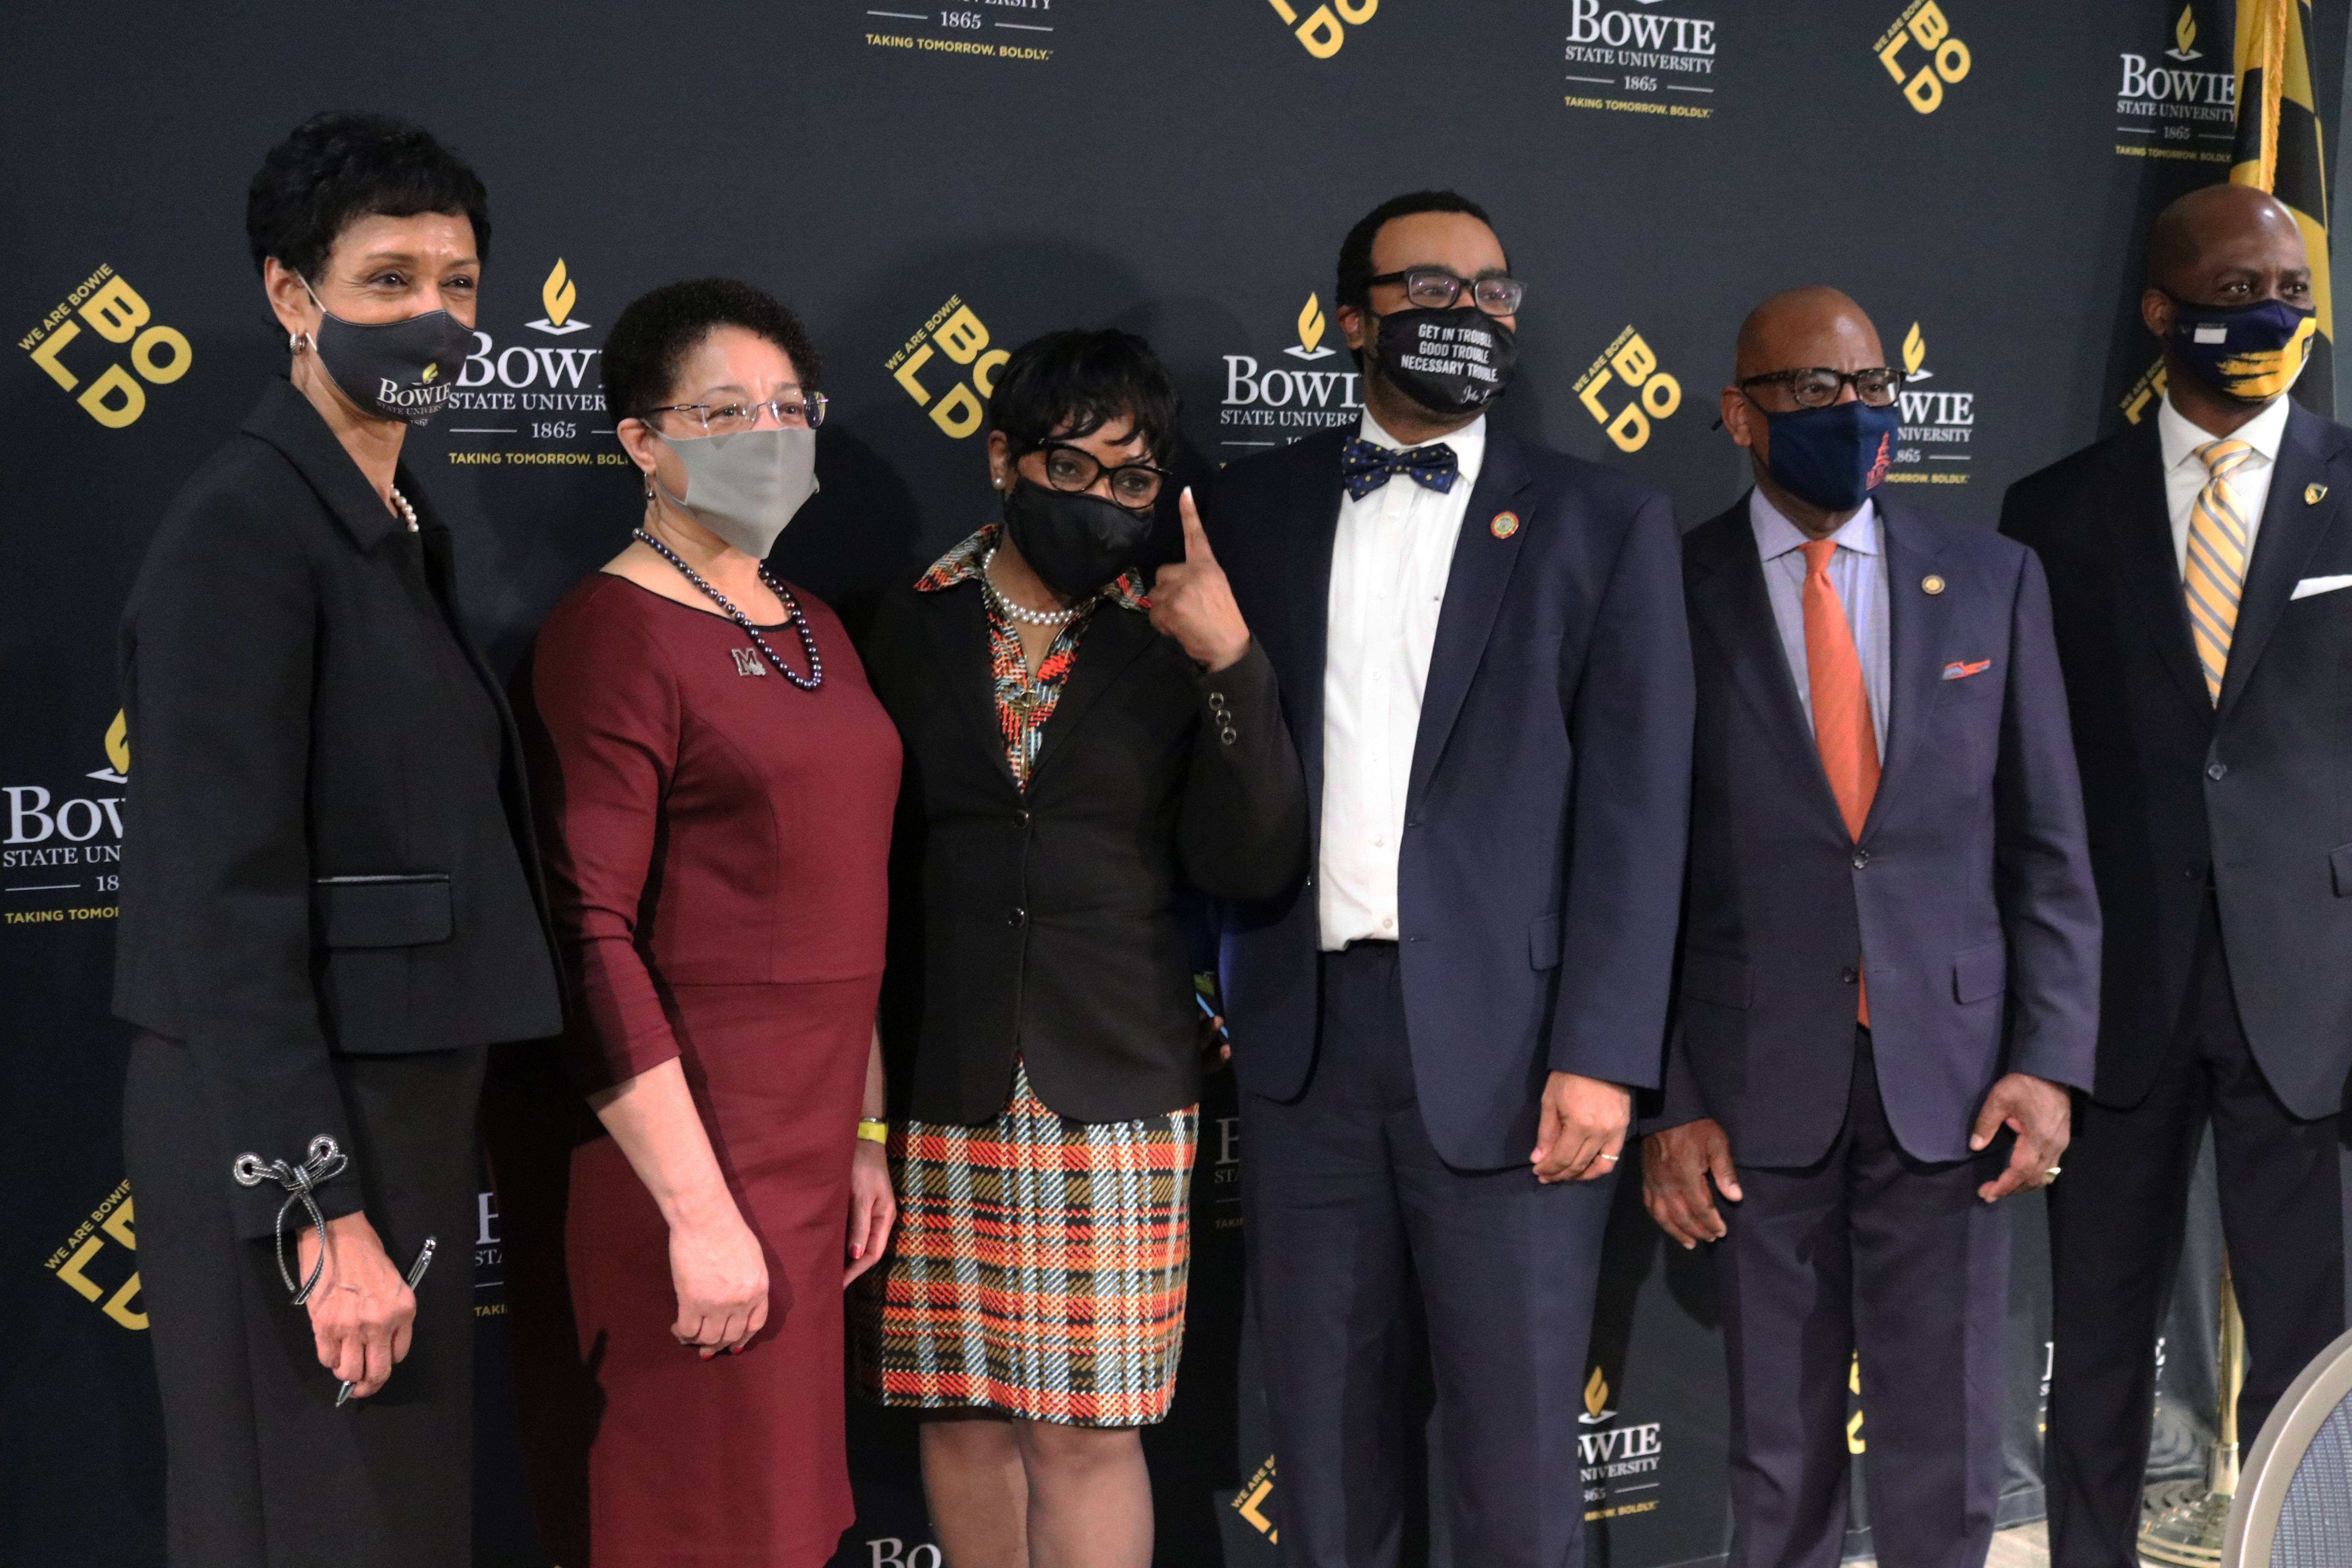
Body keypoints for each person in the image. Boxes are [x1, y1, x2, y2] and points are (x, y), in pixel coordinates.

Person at [1204, 189, 1693, 1567]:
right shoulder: (1252, 510)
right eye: (1428, 286)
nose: (1464, 313)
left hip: (1522, 1050)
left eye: (1490, 292)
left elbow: (1640, 816)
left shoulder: (1605, 521)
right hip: (1305, 1041)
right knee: (1321, 1427)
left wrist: (1603, 1054)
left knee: (1517, 1435)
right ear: (1353, 317)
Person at [111, 112, 560, 1568]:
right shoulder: (243, 529)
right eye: (387, 282)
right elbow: (217, 904)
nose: (434, 316)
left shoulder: (389, 507)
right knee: (314, 1524)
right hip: (299, 1135)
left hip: (397, 1111)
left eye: (460, 280)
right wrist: (322, 1212)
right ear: (291, 297)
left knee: (385, 1516)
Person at [1641, 287, 2100, 1568]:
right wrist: (1670, 1094)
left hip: (1952, 1083)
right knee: (1776, 1454)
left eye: (1870, 387)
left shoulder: (1995, 582)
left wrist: (2050, 1059)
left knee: (1946, 1448)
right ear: (1740, 413)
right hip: (1752, 1086)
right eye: (1811, 391)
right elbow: (1634, 876)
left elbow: (2051, 849)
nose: (1853, 415)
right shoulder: (1666, 590)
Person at [853, 328, 1307, 1568]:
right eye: (1076, 467)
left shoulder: (1171, 632)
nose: (1104, 502)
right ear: (1004, 458)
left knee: (1085, 1433)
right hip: (944, 1073)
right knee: (958, 1416)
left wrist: (1232, 661)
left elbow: (1256, 859)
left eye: (1133, 481)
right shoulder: (910, 617)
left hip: (1111, 1080)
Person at [495, 278, 901, 1568]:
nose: (770, 435)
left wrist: (865, 1129)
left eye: (790, 406)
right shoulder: (611, 634)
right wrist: (699, 1212)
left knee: (781, 1527)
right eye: (726, 412)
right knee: (684, 1524)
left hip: (804, 1158)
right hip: (677, 1171)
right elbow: (587, 932)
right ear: (641, 441)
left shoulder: (819, 626)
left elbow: (849, 904)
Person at [2001, 183, 2352, 1568]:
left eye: (2293, 292)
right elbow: (2020, 776)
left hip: (2309, 1003)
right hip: (2110, 999)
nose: (2268, 315)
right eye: (2235, 289)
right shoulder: (2053, 511)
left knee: (2315, 1350)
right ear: (2162, 311)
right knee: (2095, 1345)